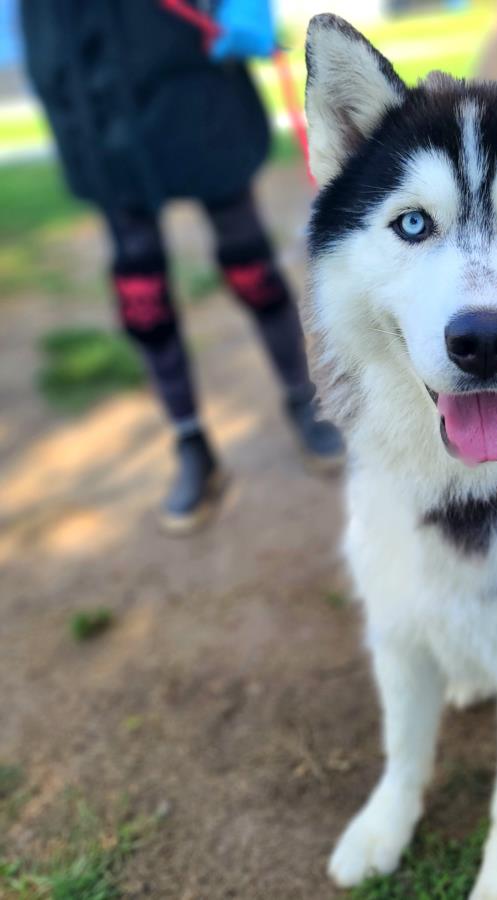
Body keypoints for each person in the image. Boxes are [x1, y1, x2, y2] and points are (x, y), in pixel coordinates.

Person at [19, 0, 345, 534]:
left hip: (190, 84)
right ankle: (190, 439)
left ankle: (300, 400)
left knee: (249, 264)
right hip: (86, 86)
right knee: (140, 287)